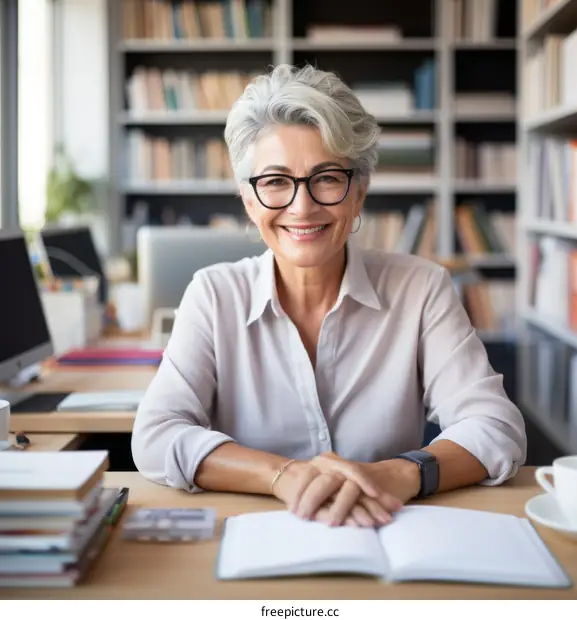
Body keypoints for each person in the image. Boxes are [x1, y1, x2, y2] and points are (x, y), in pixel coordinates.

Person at [132, 64, 527, 528]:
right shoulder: (214, 294)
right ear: (248, 199)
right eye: (276, 181)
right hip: (254, 537)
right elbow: (156, 436)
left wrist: (395, 475)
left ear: (359, 192)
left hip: (384, 528)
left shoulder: (421, 288)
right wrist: (283, 476)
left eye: (326, 178)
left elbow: (496, 428)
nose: (302, 207)